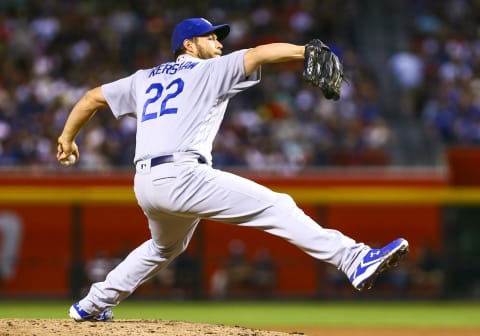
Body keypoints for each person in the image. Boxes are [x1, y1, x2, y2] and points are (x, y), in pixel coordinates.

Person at [57, 17, 409, 322]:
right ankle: (354, 259)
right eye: (210, 37)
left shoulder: (144, 78)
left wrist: (67, 138)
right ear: (188, 45)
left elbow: (91, 98)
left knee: (163, 249)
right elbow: (259, 54)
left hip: (146, 183)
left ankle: (91, 304)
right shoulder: (209, 69)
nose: (218, 41)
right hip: (183, 175)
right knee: (277, 206)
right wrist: (305, 51)